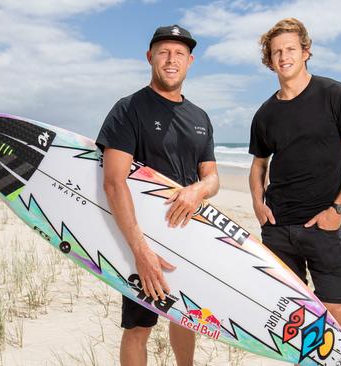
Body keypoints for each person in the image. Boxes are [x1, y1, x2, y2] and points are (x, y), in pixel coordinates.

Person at [96, 24, 219, 366]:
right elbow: (113, 182)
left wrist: (199, 189)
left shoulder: (200, 118)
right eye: (163, 52)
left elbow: (211, 177)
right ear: (150, 57)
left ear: (190, 61)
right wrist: (140, 251)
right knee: (139, 325)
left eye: (179, 53)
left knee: (187, 317)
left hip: (186, 234)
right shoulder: (129, 109)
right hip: (141, 236)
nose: (171, 59)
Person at [248, 18, 341, 337]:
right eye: (276, 52)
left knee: (334, 314)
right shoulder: (265, 113)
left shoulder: (336, 95)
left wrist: (338, 211)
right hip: (277, 228)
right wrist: (258, 205)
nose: (283, 56)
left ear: (306, 52)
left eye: (290, 48)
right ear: (269, 60)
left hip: (323, 225)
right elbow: (259, 165)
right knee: (289, 318)